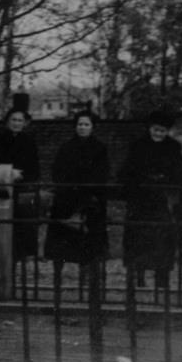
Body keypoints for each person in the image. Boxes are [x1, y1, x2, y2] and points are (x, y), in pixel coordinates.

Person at [118, 110, 182, 288]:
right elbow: (127, 170)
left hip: (162, 200)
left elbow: (179, 171)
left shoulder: (173, 147)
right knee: (138, 238)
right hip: (141, 199)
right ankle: (138, 276)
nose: (158, 134)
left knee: (163, 238)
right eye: (155, 130)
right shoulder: (138, 145)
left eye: (162, 131)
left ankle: (161, 276)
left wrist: (166, 180)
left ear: (167, 131)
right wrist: (141, 181)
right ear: (150, 128)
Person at [43, 111, 110, 270]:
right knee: (63, 241)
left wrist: (88, 189)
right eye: (80, 124)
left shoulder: (100, 148)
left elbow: (103, 173)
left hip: (90, 198)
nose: (82, 127)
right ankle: (59, 272)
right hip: (68, 199)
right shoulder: (66, 148)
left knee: (90, 241)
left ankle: (88, 270)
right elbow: (57, 172)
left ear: (92, 127)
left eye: (86, 124)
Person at [0, 107, 41, 260]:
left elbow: (34, 168)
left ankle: (20, 256)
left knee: (19, 227)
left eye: (20, 120)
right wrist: (6, 172)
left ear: (24, 123)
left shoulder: (29, 142)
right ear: (7, 121)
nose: (16, 123)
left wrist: (20, 175)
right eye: (13, 120)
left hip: (19, 189)